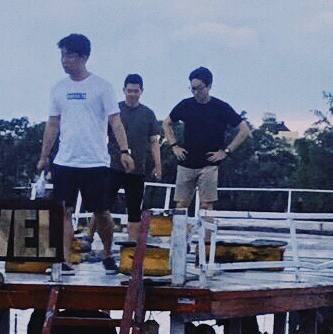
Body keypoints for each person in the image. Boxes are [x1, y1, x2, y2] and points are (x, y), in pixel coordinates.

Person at [37, 33, 135, 273]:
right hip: (65, 161)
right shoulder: (58, 88)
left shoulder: (102, 87)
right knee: (64, 211)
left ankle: (108, 253)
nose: (64, 61)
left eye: (69, 55)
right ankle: (64, 260)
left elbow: (115, 121)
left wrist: (124, 151)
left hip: (95, 162)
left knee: (101, 212)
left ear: (83, 57)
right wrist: (44, 156)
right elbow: (52, 123)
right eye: (62, 55)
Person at [161, 67, 252, 211]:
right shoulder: (186, 105)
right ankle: (180, 227)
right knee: (181, 205)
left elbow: (244, 130)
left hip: (209, 164)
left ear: (209, 86)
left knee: (206, 206)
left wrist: (226, 151)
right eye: (193, 89)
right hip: (186, 162)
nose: (196, 92)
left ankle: (206, 228)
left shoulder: (221, 107)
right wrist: (174, 146)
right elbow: (166, 123)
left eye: (199, 88)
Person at [106, 73, 162, 244]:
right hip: (113, 166)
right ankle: (90, 236)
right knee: (102, 205)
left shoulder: (148, 114)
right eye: (129, 91)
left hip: (137, 169)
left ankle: (132, 244)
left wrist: (158, 164)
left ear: (141, 91)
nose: (132, 94)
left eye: (136, 91)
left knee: (134, 209)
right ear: (124, 90)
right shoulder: (114, 111)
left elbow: (154, 141)